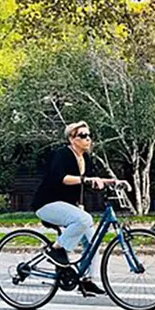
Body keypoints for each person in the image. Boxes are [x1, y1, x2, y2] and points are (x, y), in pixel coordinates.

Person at [31, 121, 119, 296]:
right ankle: (56, 249)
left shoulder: (85, 158)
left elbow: (90, 178)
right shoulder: (62, 154)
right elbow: (62, 178)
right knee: (85, 219)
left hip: (68, 206)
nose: (88, 139)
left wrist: (114, 182)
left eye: (89, 135)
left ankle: (86, 281)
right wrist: (85, 179)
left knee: (92, 242)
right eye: (83, 136)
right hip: (47, 204)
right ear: (72, 139)